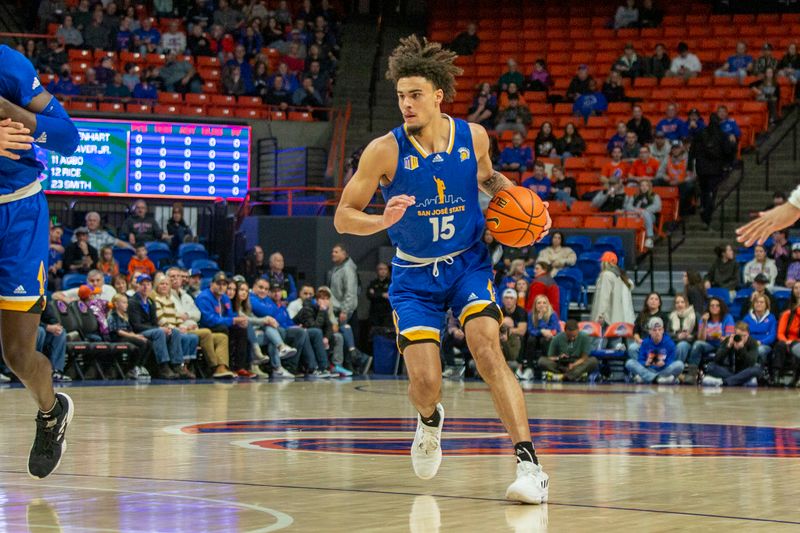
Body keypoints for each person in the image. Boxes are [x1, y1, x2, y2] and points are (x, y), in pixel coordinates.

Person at [333, 36, 551, 503]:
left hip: (467, 262)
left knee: (487, 348)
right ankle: (430, 420)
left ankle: (530, 466)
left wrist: (530, 207)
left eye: (415, 95)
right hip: (413, 276)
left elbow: (490, 179)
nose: (406, 104)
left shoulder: (473, 137)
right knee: (426, 383)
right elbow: (343, 214)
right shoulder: (383, 152)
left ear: (438, 95)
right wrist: (381, 220)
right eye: (400, 96)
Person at [0, 44, 80, 478]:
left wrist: (15, 114)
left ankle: (51, 411)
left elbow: (68, 138)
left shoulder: (7, 64)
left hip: (19, 215)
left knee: (17, 353)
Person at [167, 268, 235, 379]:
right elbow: (174, 315)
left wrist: (188, 315)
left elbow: (197, 313)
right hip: (180, 329)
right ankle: (214, 366)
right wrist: (184, 323)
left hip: (193, 327)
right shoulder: (167, 296)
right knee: (207, 332)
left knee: (221, 337)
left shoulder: (186, 296)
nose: (175, 279)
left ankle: (222, 367)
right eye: (172, 277)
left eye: (178, 276)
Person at [690, 113, 737, 230]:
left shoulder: (700, 134)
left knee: (705, 191)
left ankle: (704, 208)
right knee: (712, 193)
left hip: (701, 169)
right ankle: (706, 215)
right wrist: (729, 164)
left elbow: (692, 151)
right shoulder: (722, 135)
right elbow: (728, 151)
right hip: (715, 169)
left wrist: (690, 167)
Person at [152, 273, 199, 379]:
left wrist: (184, 326)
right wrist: (176, 328)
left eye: (166, 284)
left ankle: (187, 365)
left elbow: (176, 317)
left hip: (174, 328)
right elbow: (161, 319)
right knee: (181, 335)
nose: (164, 286)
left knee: (193, 337)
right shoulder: (156, 300)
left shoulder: (170, 301)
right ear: (156, 286)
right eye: (161, 284)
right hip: (167, 329)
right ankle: (177, 365)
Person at [106, 293, 152, 380]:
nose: (126, 305)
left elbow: (130, 330)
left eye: (126, 302)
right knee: (141, 344)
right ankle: (132, 368)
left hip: (127, 336)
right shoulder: (112, 316)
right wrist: (134, 337)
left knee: (148, 342)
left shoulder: (125, 316)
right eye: (124, 302)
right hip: (118, 338)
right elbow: (118, 331)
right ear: (116, 304)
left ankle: (140, 365)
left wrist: (137, 335)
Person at [701, 322, 762, 387]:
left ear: (748, 334)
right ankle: (739, 381)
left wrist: (742, 349)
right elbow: (717, 359)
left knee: (757, 369)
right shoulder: (729, 340)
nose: (742, 338)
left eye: (744, 335)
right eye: (739, 335)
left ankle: (725, 382)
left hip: (744, 370)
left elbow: (750, 363)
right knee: (711, 366)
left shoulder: (752, 342)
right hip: (728, 370)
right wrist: (728, 346)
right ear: (734, 334)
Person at [626, 317, 684, 384]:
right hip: (649, 369)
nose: (657, 332)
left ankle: (646, 378)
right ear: (650, 331)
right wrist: (645, 363)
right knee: (629, 363)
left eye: (659, 330)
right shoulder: (645, 342)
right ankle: (658, 379)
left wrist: (664, 364)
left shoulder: (669, 343)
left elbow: (671, 360)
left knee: (680, 365)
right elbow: (640, 359)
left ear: (663, 330)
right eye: (654, 330)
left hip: (663, 370)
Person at [518, 295, 560, 380]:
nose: (541, 305)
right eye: (539, 303)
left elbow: (555, 330)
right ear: (535, 305)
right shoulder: (530, 314)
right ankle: (529, 368)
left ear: (548, 304)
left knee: (544, 340)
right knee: (531, 339)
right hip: (534, 339)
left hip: (548, 339)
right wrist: (541, 331)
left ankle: (545, 366)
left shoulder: (553, 314)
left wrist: (541, 323)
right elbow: (530, 330)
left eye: (544, 303)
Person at [590, 252, 635, 325]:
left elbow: (603, 298)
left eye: (602, 261)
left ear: (605, 263)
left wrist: (600, 315)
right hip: (617, 321)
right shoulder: (619, 277)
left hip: (606, 320)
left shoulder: (606, 275)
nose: (600, 264)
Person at [688, 297, 735, 366]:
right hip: (709, 344)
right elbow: (701, 339)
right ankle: (692, 372)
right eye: (712, 305)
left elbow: (730, 338)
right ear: (709, 307)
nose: (714, 307)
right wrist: (704, 322)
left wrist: (720, 337)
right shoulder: (704, 318)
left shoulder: (728, 318)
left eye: (717, 305)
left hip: (722, 345)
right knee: (697, 344)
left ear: (721, 307)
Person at [628, 291, 669, 359]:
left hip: (657, 343)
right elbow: (635, 331)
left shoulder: (663, 316)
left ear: (659, 303)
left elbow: (665, 333)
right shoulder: (641, 315)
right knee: (632, 348)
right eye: (651, 299)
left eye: (656, 299)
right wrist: (639, 340)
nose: (653, 301)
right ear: (647, 302)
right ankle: (641, 367)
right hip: (642, 342)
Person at [623, 179, 661, 249]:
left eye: (646, 185)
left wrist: (644, 210)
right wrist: (636, 210)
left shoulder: (654, 196)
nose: (644, 187)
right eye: (642, 185)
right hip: (636, 215)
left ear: (649, 187)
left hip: (650, 216)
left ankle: (650, 237)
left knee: (645, 213)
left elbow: (658, 207)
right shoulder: (634, 196)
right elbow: (628, 206)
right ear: (639, 187)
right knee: (622, 212)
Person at [743, 293, 777, 366]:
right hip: (748, 343)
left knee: (759, 350)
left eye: (761, 302)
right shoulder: (747, 318)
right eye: (756, 302)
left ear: (766, 305)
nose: (759, 304)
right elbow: (742, 332)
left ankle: (760, 370)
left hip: (764, 344)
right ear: (753, 304)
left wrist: (760, 342)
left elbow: (772, 335)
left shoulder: (771, 318)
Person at [499, 289, 527, 366]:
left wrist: (507, 330)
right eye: (506, 298)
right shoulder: (499, 311)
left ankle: (519, 363)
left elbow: (522, 331)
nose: (508, 300)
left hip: (515, 338)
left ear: (515, 300)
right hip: (502, 335)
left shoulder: (521, 312)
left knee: (522, 338)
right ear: (502, 300)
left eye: (511, 298)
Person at [668, 294, 696, 364]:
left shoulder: (694, 315)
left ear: (686, 303)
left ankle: (676, 369)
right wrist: (677, 336)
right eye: (677, 303)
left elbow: (698, 332)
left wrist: (689, 336)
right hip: (675, 341)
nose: (680, 305)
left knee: (682, 345)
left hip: (689, 343)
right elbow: (667, 333)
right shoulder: (671, 316)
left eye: (682, 302)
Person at [367, 262, 392, 329]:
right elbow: (369, 295)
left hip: (387, 312)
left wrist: (376, 294)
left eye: (385, 269)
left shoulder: (391, 283)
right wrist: (382, 294)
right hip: (375, 312)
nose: (383, 271)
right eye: (381, 269)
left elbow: (390, 296)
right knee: (374, 332)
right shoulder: (373, 283)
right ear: (377, 271)